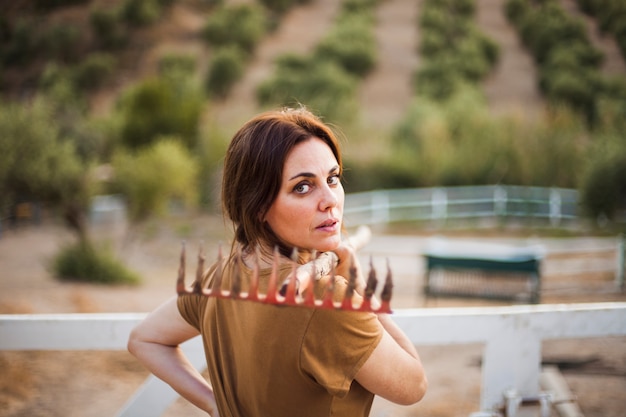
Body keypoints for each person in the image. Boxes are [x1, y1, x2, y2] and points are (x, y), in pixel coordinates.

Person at [127, 107, 427, 417]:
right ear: (258, 206)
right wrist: (360, 287)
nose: (330, 200)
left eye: (333, 178)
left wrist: (214, 405)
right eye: (302, 187)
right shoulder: (328, 300)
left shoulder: (221, 276)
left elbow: (144, 338)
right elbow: (414, 386)